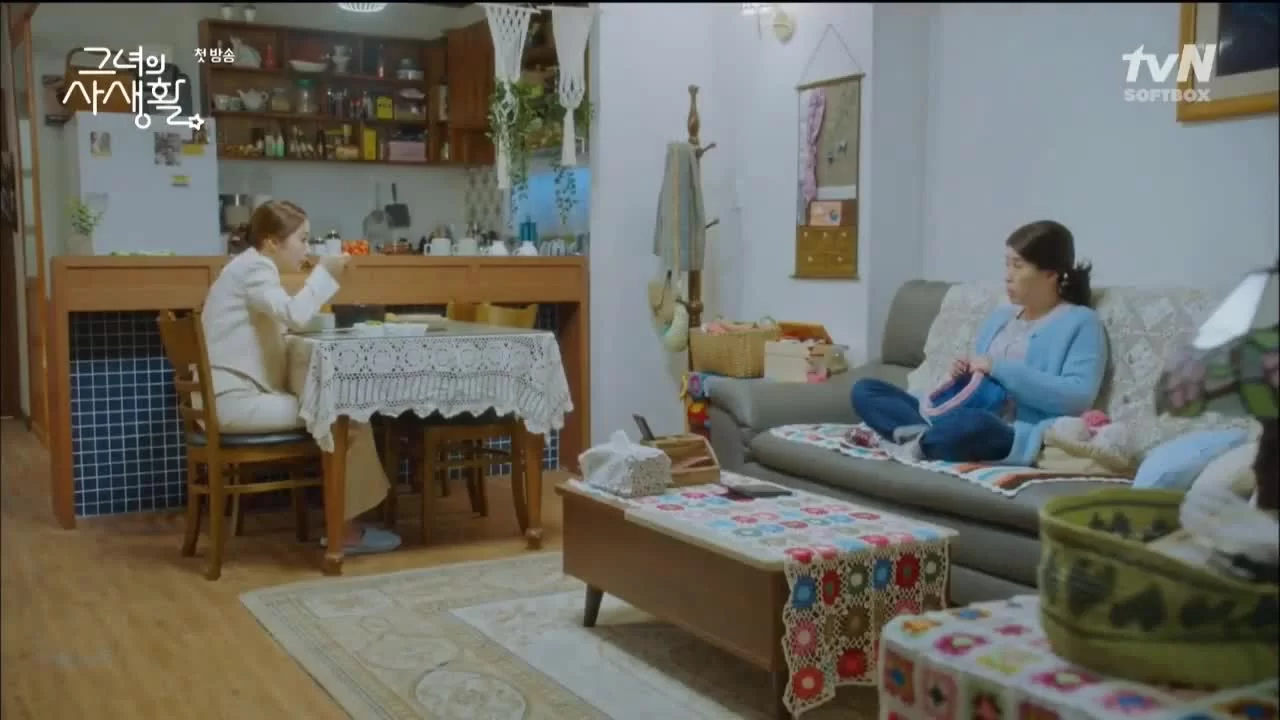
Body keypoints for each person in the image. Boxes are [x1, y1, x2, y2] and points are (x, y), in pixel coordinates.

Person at [201, 200, 401, 554]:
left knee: (342, 409)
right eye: (303, 240)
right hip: (234, 403)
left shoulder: (246, 266)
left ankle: (348, 523)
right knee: (345, 414)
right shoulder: (256, 268)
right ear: (272, 242)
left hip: (227, 398)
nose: (308, 249)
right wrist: (325, 273)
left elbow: (282, 319)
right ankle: (346, 533)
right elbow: (294, 315)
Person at [851, 220, 1107, 465]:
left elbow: (1077, 397)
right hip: (956, 413)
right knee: (865, 390)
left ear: (1050, 274)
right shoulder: (1001, 318)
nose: (1008, 276)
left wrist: (997, 368)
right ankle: (922, 441)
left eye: (1018, 266)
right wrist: (962, 375)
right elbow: (978, 385)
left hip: (1006, 429)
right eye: (1007, 265)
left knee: (974, 425)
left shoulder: (1081, 322)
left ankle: (909, 438)